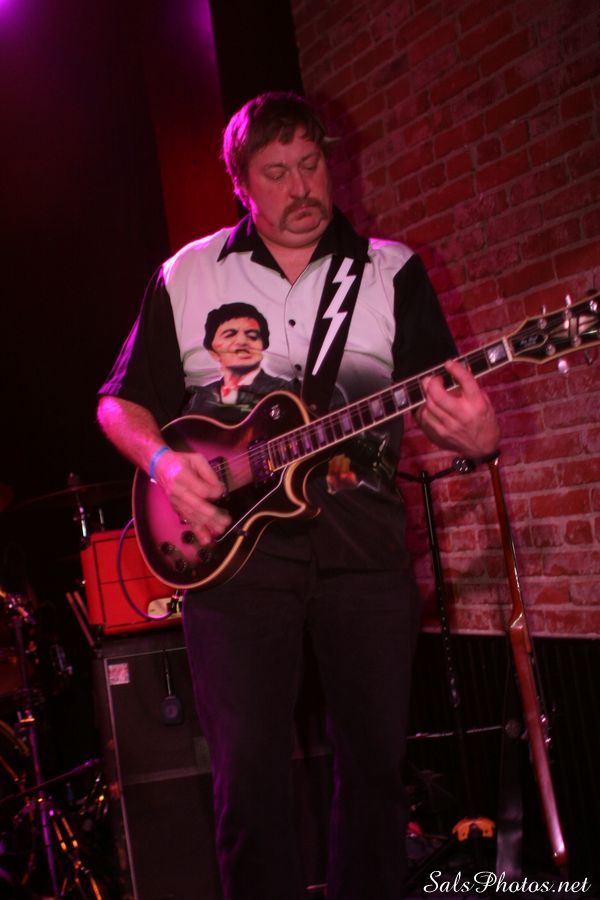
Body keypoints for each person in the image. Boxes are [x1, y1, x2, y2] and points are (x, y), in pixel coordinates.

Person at [97, 92, 499, 900]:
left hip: (365, 553)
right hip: (232, 565)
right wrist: (165, 465)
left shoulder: (390, 271)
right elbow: (118, 404)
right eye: (276, 173)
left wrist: (480, 434)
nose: (301, 186)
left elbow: (452, 408)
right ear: (241, 184)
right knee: (247, 787)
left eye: (311, 164)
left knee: (377, 776)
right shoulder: (188, 273)